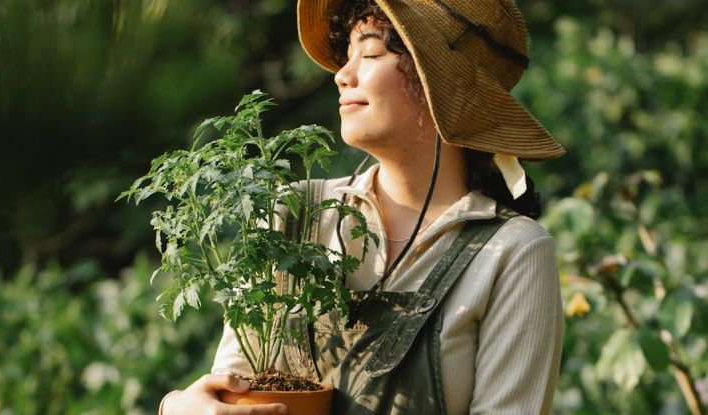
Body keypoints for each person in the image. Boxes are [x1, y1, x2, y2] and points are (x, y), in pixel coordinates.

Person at [160, 0, 564, 413]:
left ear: (441, 83)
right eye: (347, 56)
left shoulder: (513, 252)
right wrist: (179, 406)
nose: (342, 75)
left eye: (370, 53)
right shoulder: (293, 214)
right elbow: (233, 389)